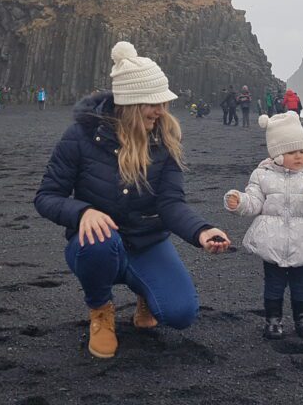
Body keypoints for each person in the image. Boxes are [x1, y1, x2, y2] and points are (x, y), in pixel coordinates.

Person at [34, 41, 231, 359]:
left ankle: (144, 293)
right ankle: (100, 311)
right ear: (129, 103)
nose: (161, 111)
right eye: (153, 103)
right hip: (95, 245)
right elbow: (46, 196)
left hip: (147, 242)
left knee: (180, 314)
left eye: (163, 102)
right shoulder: (80, 137)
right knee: (99, 240)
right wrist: (82, 212)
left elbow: (170, 203)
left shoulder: (165, 140)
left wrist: (201, 231)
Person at [224, 112, 303, 340]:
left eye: (302, 151)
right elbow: (254, 203)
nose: (299, 157)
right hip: (271, 241)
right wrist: (239, 201)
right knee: (273, 283)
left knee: (301, 283)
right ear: (277, 154)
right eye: (292, 152)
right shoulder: (262, 176)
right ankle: (273, 320)